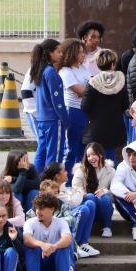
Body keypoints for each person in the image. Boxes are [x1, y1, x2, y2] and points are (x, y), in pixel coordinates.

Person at [38, 163, 98, 260]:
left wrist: (78, 193)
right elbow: (72, 202)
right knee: (84, 209)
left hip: (68, 211)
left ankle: (84, 243)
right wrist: (80, 191)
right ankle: (76, 244)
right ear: (57, 176)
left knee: (90, 201)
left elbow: (72, 198)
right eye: (64, 170)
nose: (67, 172)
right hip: (60, 217)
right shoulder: (52, 189)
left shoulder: (62, 186)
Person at [22, 192, 74, 271]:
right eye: (37, 208)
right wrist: (42, 245)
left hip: (55, 267)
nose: (37, 211)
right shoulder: (30, 222)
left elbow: (67, 239)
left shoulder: (61, 222)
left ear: (52, 209)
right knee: (32, 247)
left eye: (42, 208)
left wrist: (53, 247)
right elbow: (27, 239)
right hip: (37, 266)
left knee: (63, 247)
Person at [81, 48, 129, 165]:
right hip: (116, 126)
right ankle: (114, 180)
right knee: (111, 156)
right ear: (113, 64)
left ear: (98, 65)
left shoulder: (92, 83)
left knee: (96, 158)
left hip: (96, 127)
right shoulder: (121, 81)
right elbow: (125, 105)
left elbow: (84, 106)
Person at [29, 39, 69, 175]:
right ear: (49, 53)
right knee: (55, 153)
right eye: (58, 51)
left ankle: (37, 179)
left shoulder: (41, 70)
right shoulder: (50, 72)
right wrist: (65, 118)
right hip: (53, 119)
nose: (61, 54)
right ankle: (51, 183)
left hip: (42, 118)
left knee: (42, 151)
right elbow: (57, 101)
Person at [58, 39, 90, 177]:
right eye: (80, 52)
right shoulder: (65, 71)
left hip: (85, 110)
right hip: (73, 111)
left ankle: (80, 177)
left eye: (84, 52)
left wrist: (89, 87)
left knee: (84, 148)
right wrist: (90, 86)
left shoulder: (83, 68)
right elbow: (80, 90)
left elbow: (90, 87)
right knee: (72, 147)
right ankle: (67, 178)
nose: (83, 54)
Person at [72, 142, 116, 239]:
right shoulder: (81, 170)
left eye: (94, 154)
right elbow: (75, 188)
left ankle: (107, 227)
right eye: (88, 156)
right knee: (91, 197)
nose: (91, 158)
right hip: (88, 206)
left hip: (104, 208)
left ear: (100, 154)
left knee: (105, 197)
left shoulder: (111, 171)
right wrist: (84, 193)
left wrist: (106, 191)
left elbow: (115, 190)